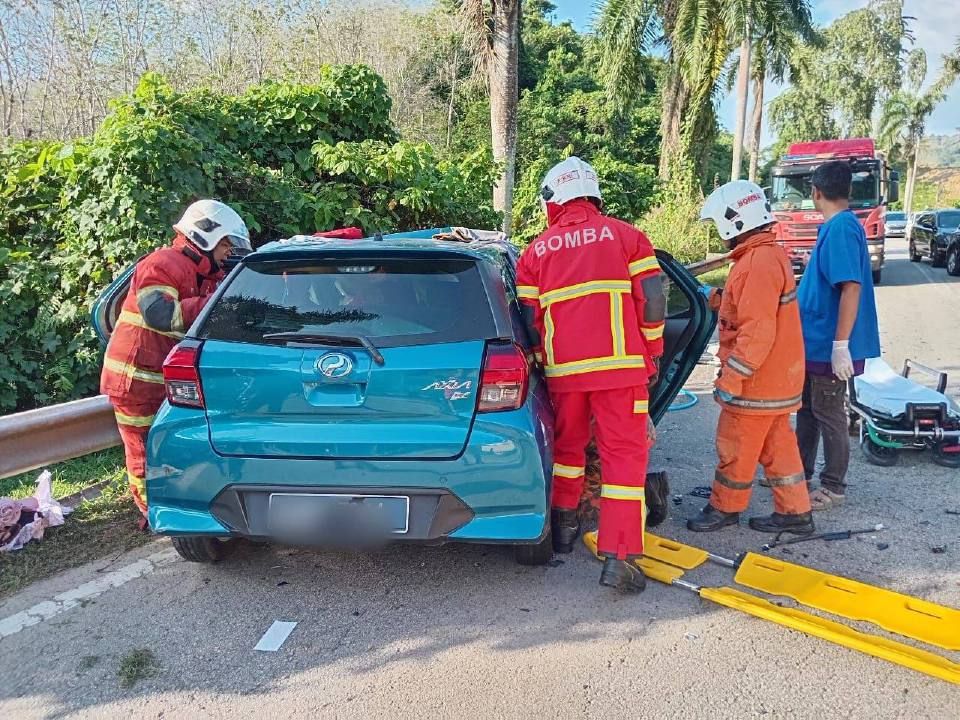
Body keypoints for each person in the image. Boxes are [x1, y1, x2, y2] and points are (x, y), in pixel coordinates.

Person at [516, 156, 666, 593]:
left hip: (564, 375)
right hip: (620, 371)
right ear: (591, 193)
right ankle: (620, 559)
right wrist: (651, 351)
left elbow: (529, 318)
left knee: (568, 450)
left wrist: (545, 359)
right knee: (623, 460)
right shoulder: (626, 236)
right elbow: (653, 300)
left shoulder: (535, 252)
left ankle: (562, 529)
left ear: (553, 199)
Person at [101, 200, 251, 521]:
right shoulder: (162, 263)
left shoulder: (204, 274)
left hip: (167, 385)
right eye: (226, 243)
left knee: (169, 449)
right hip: (135, 382)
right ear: (207, 236)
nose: (229, 252)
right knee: (144, 454)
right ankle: (150, 513)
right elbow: (160, 313)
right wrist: (218, 304)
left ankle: (177, 505)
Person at [688, 181, 814, 535]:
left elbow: (756, 332)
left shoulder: (757, 263)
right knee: (778, 447)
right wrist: (712, 296)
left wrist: (731, 379)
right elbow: (744, 305)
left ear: (734, 221)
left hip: (756, 384)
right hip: (775, 381)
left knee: (735, 445)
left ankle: (725, 508)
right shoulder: (765, 256)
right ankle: (795, 512)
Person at [797, 161, 881, 510]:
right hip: (813, 342)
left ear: (816, 192)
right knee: (807, 410)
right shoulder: (834, 228)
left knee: (829, 412)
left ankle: (833, 486)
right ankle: (797, 475)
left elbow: (850, 287)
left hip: (827, 343)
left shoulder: (842, 228)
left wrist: (840, 345)